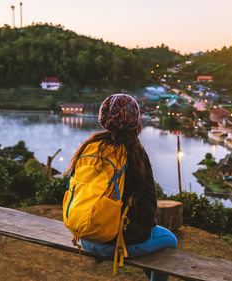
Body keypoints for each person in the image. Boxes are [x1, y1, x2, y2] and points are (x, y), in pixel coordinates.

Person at [67, 94, 177, 281]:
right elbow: (148, 211)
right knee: (169, 241)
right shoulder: (134, 154)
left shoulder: (90, 146)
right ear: (135, 121)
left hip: (84, 237)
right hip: (113, 244)